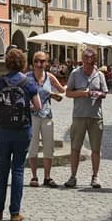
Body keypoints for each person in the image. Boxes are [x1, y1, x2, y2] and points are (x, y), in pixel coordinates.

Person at [0, 48, 41, 221]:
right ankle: (15, 212)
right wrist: (26, 108)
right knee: (18, 170)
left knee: (2, 169)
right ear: (23, 63)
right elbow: (38, 105)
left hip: (3, 131)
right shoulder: (28, 82)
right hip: (22, 130)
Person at [65, 47, 107, 189]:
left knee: (96, 148)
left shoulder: (100, 75)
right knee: (75, 148)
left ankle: (95, 177)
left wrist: (99, 94)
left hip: (96, 116)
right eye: (86, 59)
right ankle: (73, 176)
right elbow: (68, 93)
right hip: (79, 116)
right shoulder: (75, 74)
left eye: (91, 59)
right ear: (82, 59)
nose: (89, 62)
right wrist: (82, 93)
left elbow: (105, 92)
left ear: (95, 59)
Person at [27, 51, 65, 188]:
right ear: (32, 63)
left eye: (42, 61)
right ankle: (34, 176)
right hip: (32, 116)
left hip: (47, 115)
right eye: (36, 61)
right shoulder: (27, 78)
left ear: (47, 63)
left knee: (49, 146)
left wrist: (61, 92)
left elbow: (62, 90)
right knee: (33, 146)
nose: (39, 64)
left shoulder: (49, 77)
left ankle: (47, 177)